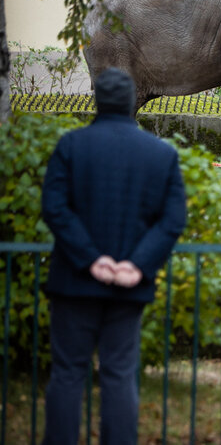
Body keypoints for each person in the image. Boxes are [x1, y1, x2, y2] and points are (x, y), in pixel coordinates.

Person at [40, 67, 187, 445]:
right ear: (132, 100)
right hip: (128, 286)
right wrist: (136, 265)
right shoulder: (161, 155)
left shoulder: (70, 146)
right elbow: (172, 221)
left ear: (97, 100)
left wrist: (90, 259)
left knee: (68, 374)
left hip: (73, 281)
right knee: (119, 374)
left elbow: (55, 209)